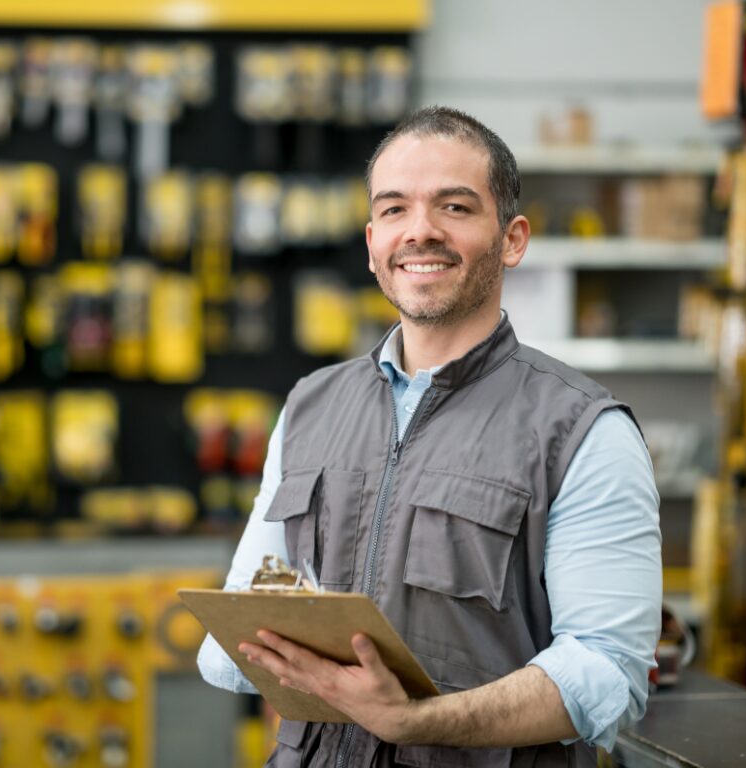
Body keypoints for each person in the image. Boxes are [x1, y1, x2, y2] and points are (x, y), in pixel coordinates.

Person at [197, 106, 662, 768]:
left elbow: (609, 673)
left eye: (454, 207)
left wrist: (415, 720)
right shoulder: (309, 407)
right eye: (394, 210)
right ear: (371, 244)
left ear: (512, 239)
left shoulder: (583, 432)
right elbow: (232, 644)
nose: (420, 231)